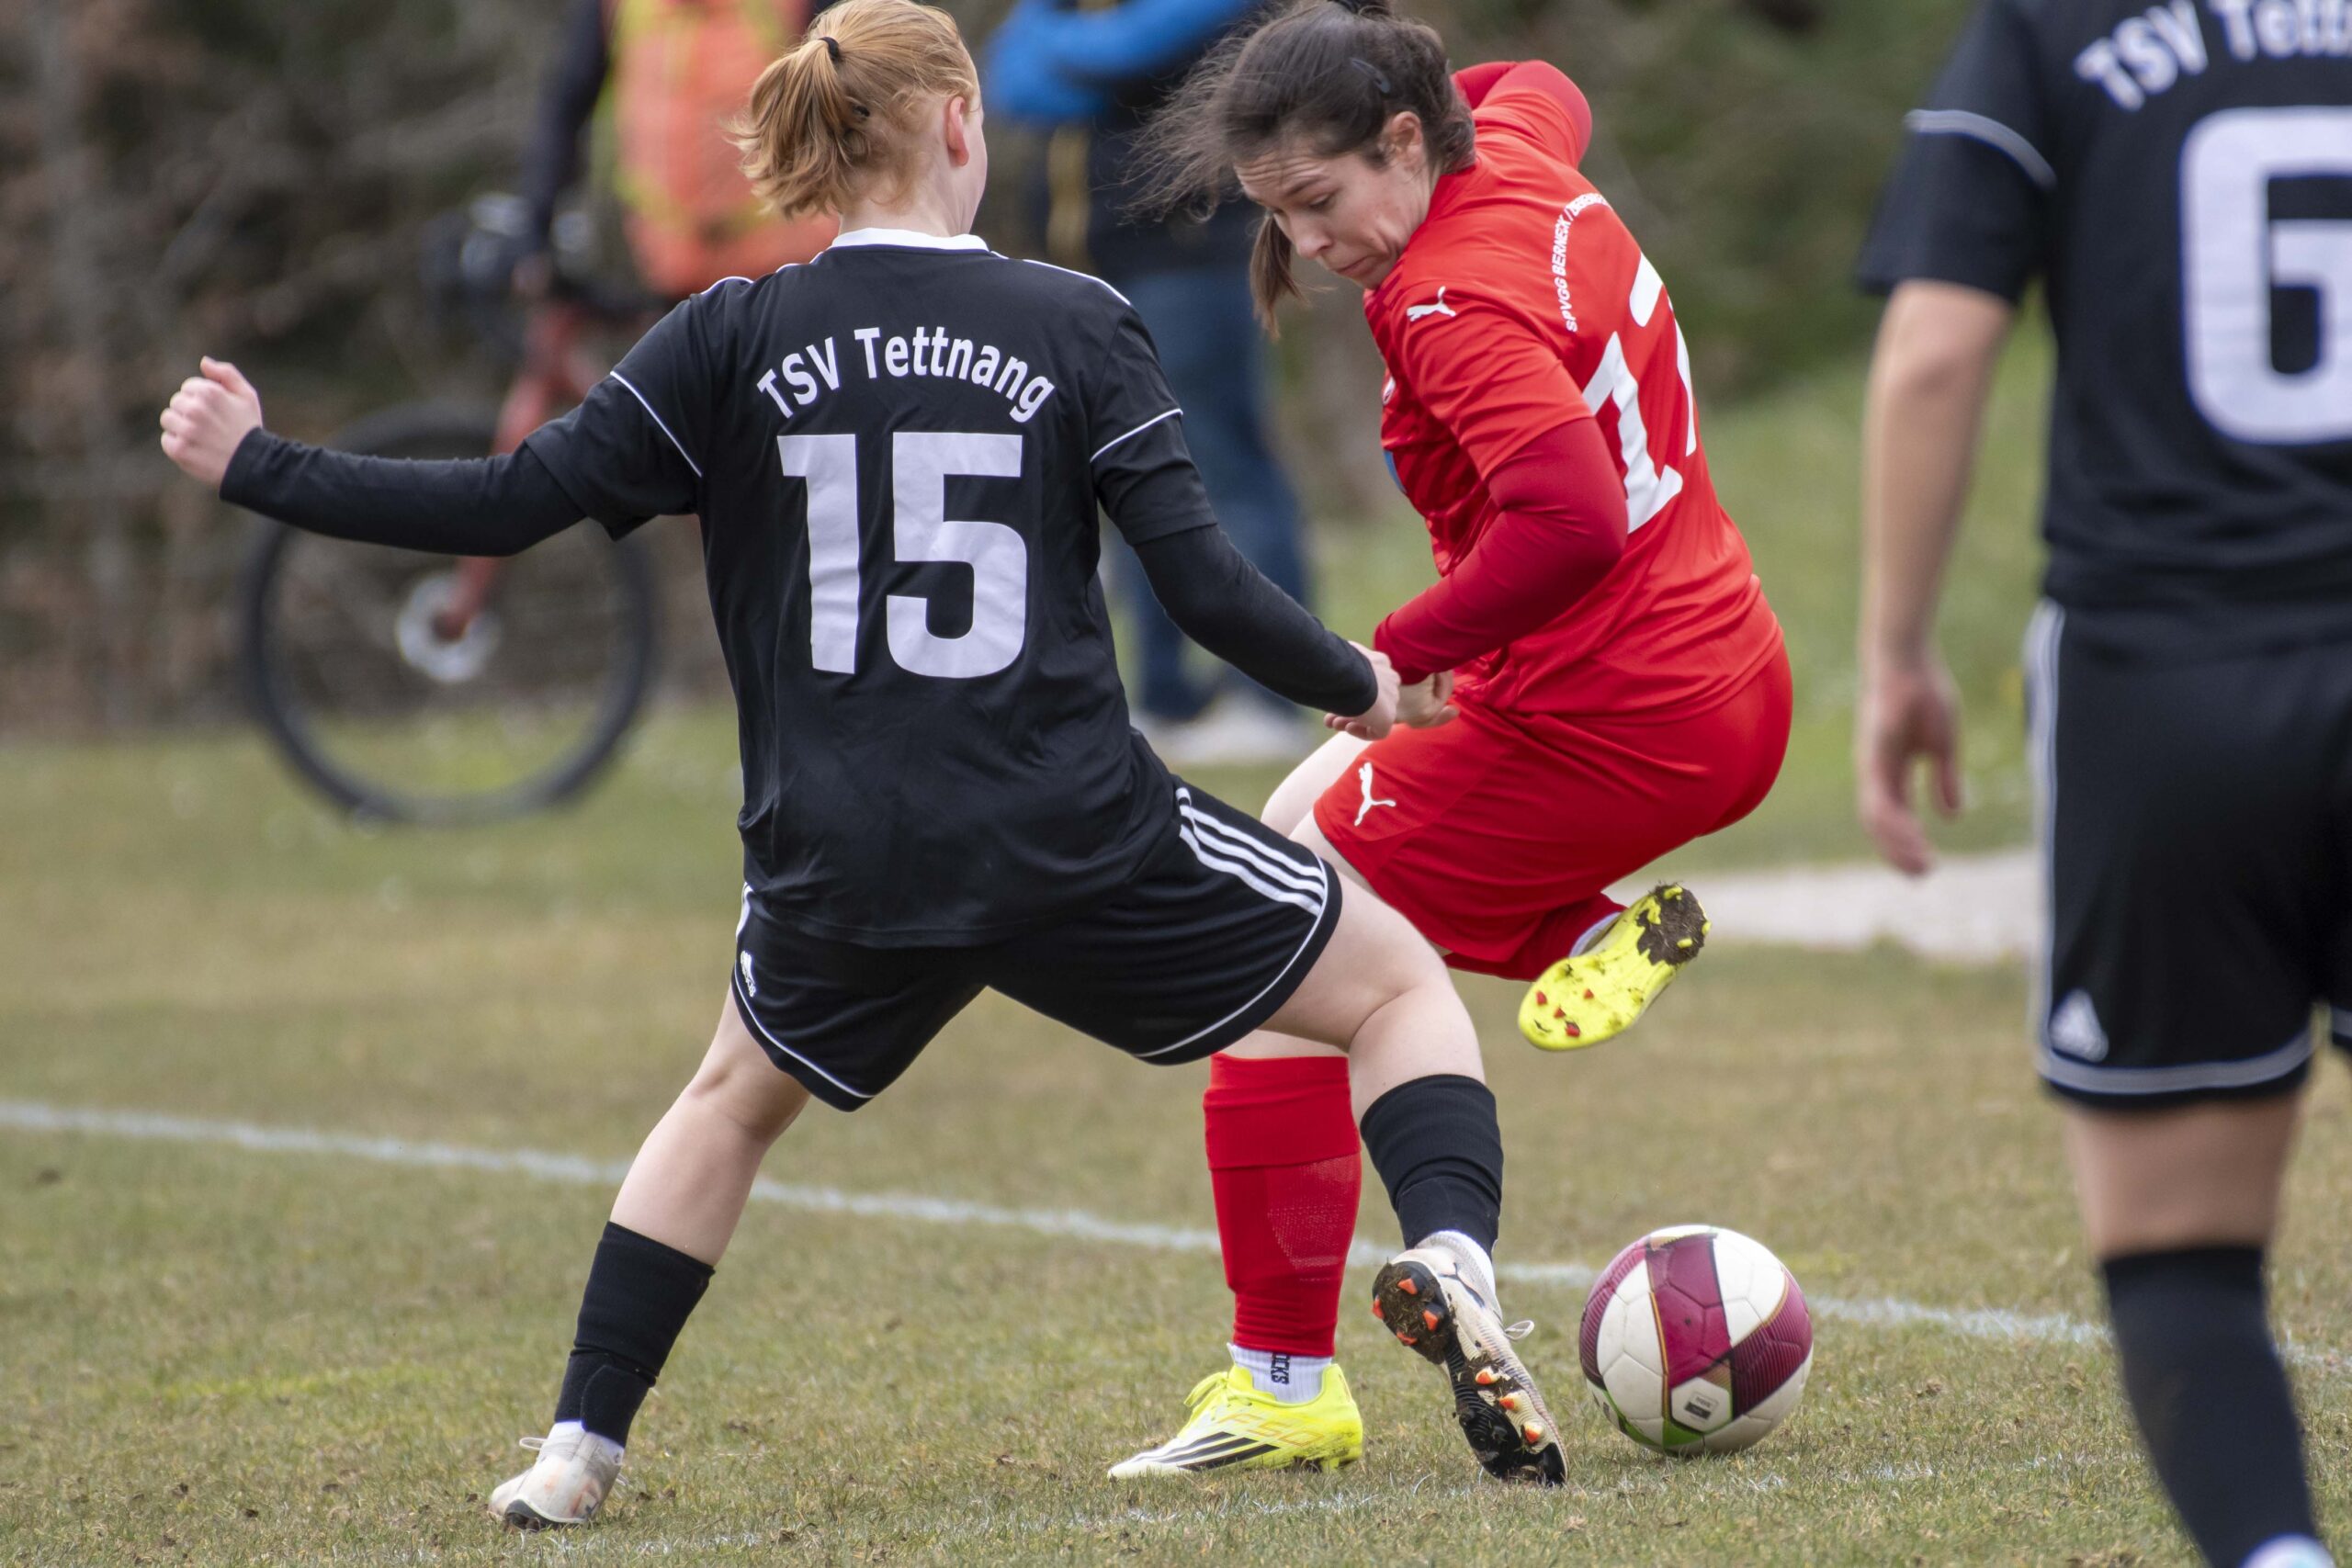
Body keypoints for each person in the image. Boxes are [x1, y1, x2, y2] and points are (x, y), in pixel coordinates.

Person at [160, 0, 1573, 1523]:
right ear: (962, 125)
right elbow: (1207, 588)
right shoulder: (1076, 318)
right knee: (1396, 987)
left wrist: (260, 462)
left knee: (725, 1105)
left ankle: (575, 1451)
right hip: (1068, 832)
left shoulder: (726, 335)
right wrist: (1363, 683)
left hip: (840, 851)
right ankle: (1451, 1255)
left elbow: (505, 504)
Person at [1105, 0, 1790, 1478]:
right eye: (1280, 213)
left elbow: (1568, 518)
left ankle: (1338, 1342)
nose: (1309, 244)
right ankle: (1575, 929)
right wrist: (1383, 83)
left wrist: (1397, 652)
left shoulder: (1443, 298)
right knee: (1292, 830)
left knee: (1275, 939)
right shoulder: (1514, 147)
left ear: (1406, 144)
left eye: (1321, 199)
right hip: (1723, 673)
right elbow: (1535, 78)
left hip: (1607, 715)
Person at [1853, 3, 2349, 1564]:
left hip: (2165, 674)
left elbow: (1937, 353)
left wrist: (1897, 652)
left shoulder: (2050, 27)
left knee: (2180, 1243)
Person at [983, 0, 1316, 765]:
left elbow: (1130, 50)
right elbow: (1011, 81)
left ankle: (1271, 698)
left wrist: (1071, 53)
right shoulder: (1077, 12)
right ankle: (1167, 698)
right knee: (1126, 475)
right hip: (1104, 261)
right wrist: (1080, 53)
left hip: (1190, 255)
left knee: (1224, 466)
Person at [518, 0, 838, 299]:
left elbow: (854, 90)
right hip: (666, 274)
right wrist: (534, 228)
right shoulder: (618, 8)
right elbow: (567, 104)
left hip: (788, 269)